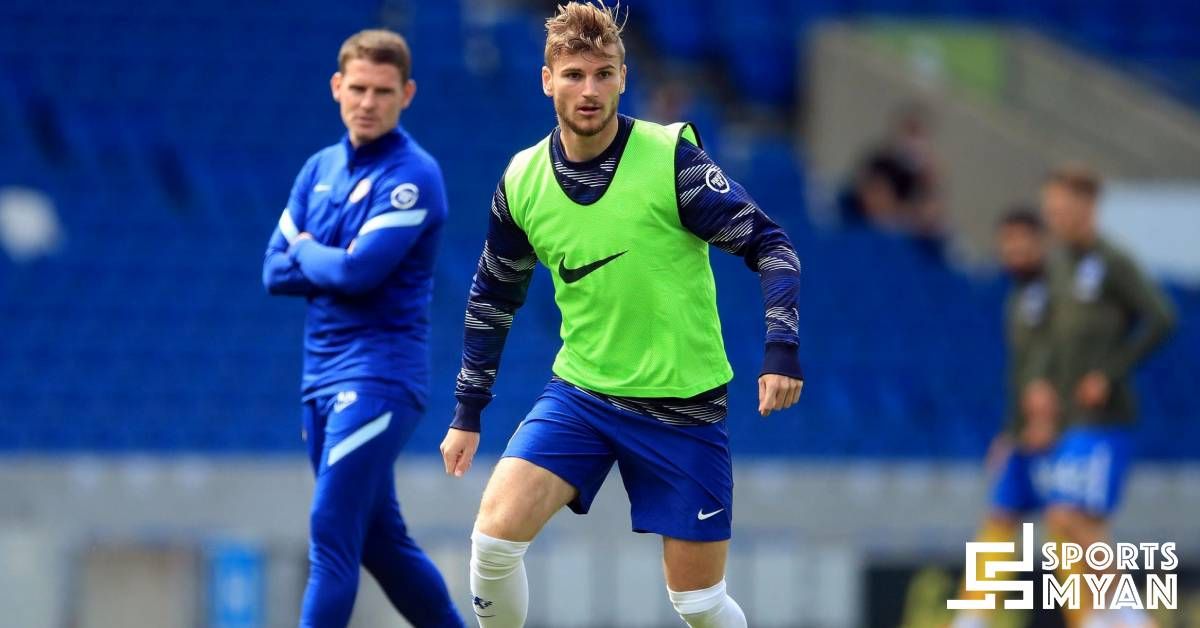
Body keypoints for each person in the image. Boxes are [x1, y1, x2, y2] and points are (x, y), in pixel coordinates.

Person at [438, 4, 804, 627]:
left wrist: (781, 349)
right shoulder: (522, 180)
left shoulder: (671, 161)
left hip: (682, 407)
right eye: (574, 74)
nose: (589, 90)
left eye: (603, 74)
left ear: (623, 78)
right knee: (493, 542)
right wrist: (468, 411)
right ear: (547, 80)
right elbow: (493, 295)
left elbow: (772, 246)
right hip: (582, 396)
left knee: (698, 605)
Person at [261, 29, 464, 628]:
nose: (368, 102)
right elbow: (272, 271)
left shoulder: (413, 175)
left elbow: (358, 272)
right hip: (319, 381)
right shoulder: (318, 169)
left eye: (382, 91)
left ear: (407, 94)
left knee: (330, 531)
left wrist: (306, 249)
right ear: (337, 87)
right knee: (381, 543)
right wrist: (324, 259)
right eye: (357, 89)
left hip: (379, 378)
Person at [1035, 164, 1175, 627]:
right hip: (1071, 418)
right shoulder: (1058, 264)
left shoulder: (1112, 261)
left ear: (1088, 207)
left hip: (1105, 418)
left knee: (1073, 519)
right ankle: (1106, 617)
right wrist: (1046, 389)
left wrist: (1109, 373)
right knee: (1073, 524)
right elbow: (1056, 337)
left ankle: (1129, 618)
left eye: (1062, 208)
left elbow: (1162, 318)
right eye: (1050, 208)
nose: (1054, 217)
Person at [951, 208, 1060, 627]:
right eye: (1007, 243)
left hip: (1058, 431)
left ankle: (1099, 613)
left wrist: (1055, 418)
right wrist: (1011, 432)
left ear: (1040, 242)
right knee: (1001, 517)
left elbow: (1067, 362)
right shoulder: (1019, 298)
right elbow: (1023, 375)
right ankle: (973, 616)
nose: (1013, 251)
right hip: (1025, 433)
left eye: (1021, 241)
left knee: (1069, 526)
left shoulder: (1062, 294)